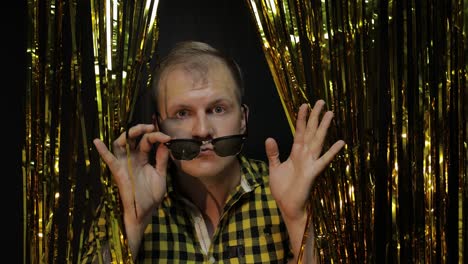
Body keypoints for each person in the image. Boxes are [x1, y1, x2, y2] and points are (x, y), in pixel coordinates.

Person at [81, 40, 345, 263]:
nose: (202, 130)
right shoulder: (129, 201)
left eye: (218, 109)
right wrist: (132, 224)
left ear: (242, 119)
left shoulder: (285, 192)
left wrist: (298, 218)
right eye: (182, 113)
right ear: (159, 126)